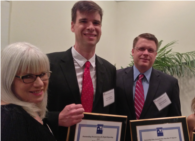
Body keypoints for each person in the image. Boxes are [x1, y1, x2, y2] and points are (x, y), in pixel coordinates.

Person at [46, 0, 116, 140]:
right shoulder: (49, 64)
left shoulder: (110, 70)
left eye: (96, 23)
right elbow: (30, 109)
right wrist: (57, 118)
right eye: (84, 21)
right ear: (72, 26)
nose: (91, 27)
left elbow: (111, 111)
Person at [116, 33, 181, 141]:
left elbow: (174, 120)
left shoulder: (170, 83)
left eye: (150, 50)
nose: (146, 53)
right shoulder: (115, 77)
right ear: (133, 51)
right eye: (141, 49)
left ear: (155, 54)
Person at [0, 42, 56, 141]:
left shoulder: (26, 109)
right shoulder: (11, 117)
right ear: (8, 79)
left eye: (42, 74)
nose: (40, 84)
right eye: (28, 76)